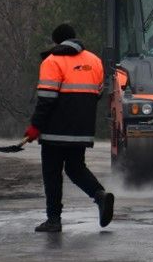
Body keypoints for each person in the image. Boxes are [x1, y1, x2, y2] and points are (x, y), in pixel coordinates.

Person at [27, 24, 114, 233]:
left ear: (56, 42)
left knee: (52, 173)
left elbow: (46, 99)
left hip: (55, 130)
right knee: (76, 168)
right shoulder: (94, 61)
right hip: (81, 129)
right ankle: (100, 195)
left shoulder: (52, 61)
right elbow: (98, 93)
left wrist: (35, 126)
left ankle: (54, 220)